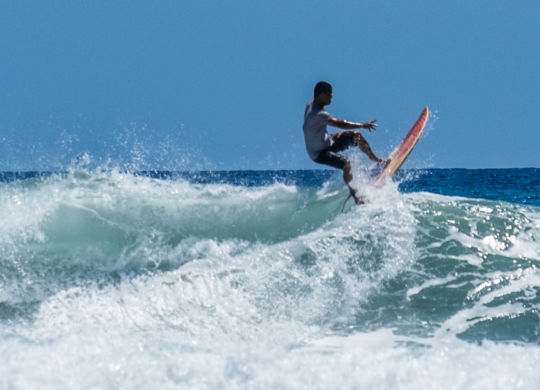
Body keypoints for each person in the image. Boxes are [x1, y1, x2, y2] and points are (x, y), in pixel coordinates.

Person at [302, 81, 388, 204]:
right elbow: (339, 124)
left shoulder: (310, 104)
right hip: (319, 153)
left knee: (357, 136)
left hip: (328, 141)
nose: (331, 97)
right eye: (329, 94)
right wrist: (362, 125)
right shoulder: (319, 114)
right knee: (347, 164)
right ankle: (356, 197)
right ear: (321, 95)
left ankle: (377, 161)